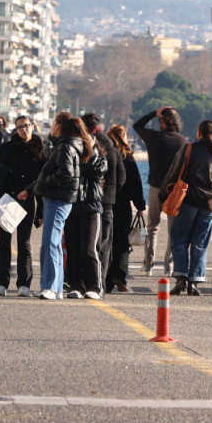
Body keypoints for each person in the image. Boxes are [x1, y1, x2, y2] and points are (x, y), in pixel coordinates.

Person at [19, 113, 86, 300]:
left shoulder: (64, 147)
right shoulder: (63, 144)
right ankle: (56, 287)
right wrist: (33, 188)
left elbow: (65, 173)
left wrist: (41, 185)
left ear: (59, 126)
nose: (51, 125)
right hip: (57, 198)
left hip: (58, 198)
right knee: (54, 244)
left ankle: (48, 286)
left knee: (49, 243)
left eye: (54, 123)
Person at [159, 120, 212, 296]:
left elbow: (174, 171)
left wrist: (163, 194)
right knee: (200, 243)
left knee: (179, 239)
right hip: (208, 203)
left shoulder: (189, 149)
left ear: (198, 132)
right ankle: (194, 282)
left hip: (188, 200)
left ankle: (181, 278)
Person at [0, 115, 46, 296]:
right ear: (16, 129)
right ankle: (1, 282)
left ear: (32, 126)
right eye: (20, 127)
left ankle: (24, 283)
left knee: (24, 242)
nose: (24, 129)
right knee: (4, 242)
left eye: (27, 126)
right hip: (7, 199)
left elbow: (42, 181)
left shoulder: (41, 151)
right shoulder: (7, 148)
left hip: (27, 200)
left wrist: (41, 211)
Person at [134, 106, 189, 275]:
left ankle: (148, 264)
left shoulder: (154, 138)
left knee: (152, 227)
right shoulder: (183, 142)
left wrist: (153, 112)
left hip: (156, 188)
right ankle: (169, 266)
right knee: (173, 229)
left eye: (160, 120)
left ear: (164, 121)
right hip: (174, 190)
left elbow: (138, 126)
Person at [63, 114, 112, 299]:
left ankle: (96, 287)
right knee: (73, 248)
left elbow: (98, 172)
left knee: (90, 248)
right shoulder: (69, 149)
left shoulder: (97, 151)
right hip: (72, 204)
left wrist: (91, 150)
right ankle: (77, 285)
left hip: (91, 205)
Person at [105, 125, 146, 293]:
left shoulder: (105, 154)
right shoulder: (127, 157)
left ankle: (105, 279)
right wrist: (140, 205)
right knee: (122, 243)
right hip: (123, 205)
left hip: (106, 203)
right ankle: (119, 277)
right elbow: (135, 183)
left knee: (106, 241)